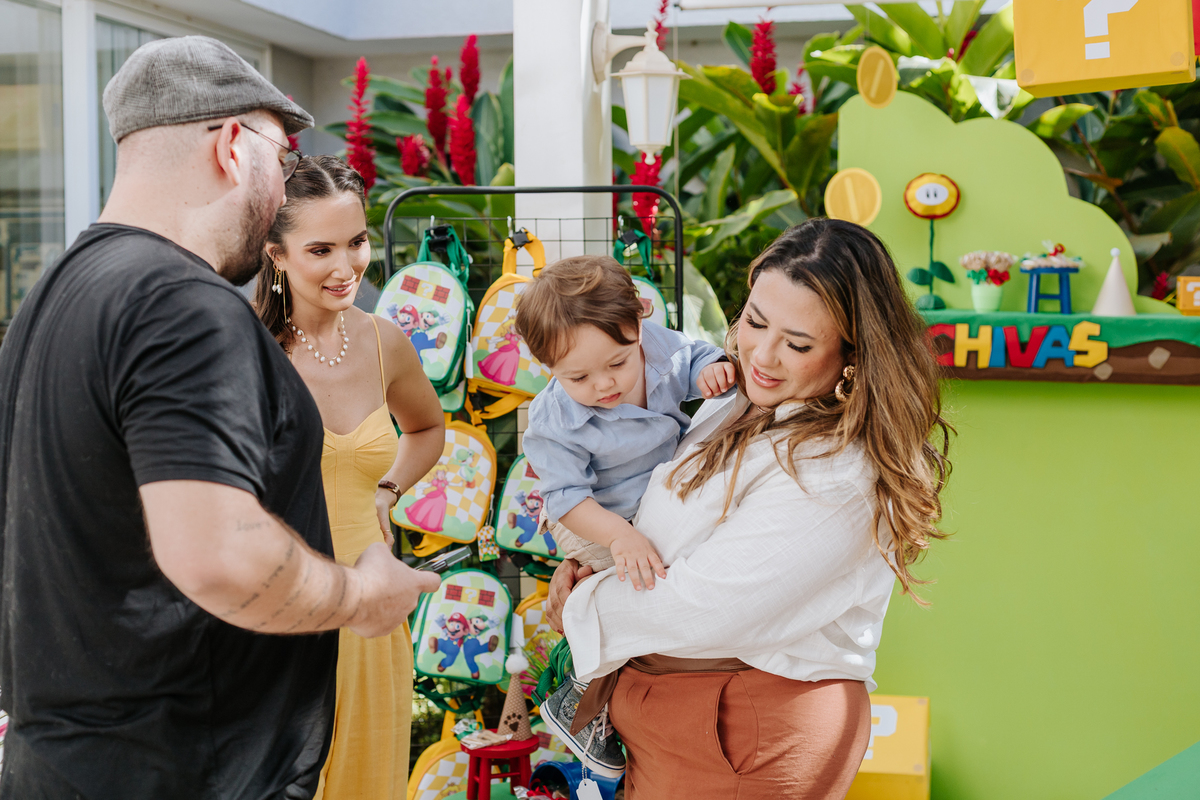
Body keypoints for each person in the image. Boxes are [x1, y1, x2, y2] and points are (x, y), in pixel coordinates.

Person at [0, 37, 439, 800]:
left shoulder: (54, 295)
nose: (280, 189)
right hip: (180, 769)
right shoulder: (184, 307)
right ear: (234, 146)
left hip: (65, 762)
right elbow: (217, 554)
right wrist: (361, 598)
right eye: (282, 157)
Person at [545, 218, 952, 799]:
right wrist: (597, 554)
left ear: (854, 353)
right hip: (684, 727)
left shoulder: (841, 471)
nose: (762, 354)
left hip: (741, 735)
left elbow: (706, 606)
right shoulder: (740, 399)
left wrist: (585, 602)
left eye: (798, 344)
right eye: (755, 322)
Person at [253, 155, 445, 800]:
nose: (346, 267)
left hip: (370, 613)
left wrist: (387, 493)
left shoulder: (385, 341)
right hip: (279, 609)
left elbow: (427, 427)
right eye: (320, 250)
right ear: (276, 254)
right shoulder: (246, 350)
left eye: (356, 242)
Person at [515, 255, 737, 777]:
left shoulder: (657, 347)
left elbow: (694, 356)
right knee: (625, 587)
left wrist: (710, 368)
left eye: (618, 363)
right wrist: (618, 537)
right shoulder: (555, 418)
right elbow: (566, 499)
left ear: (638, 322)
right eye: (578, 376)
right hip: (592, 515)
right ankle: (581, 699)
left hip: (648, 499)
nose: (603, 385)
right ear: (548, 368)